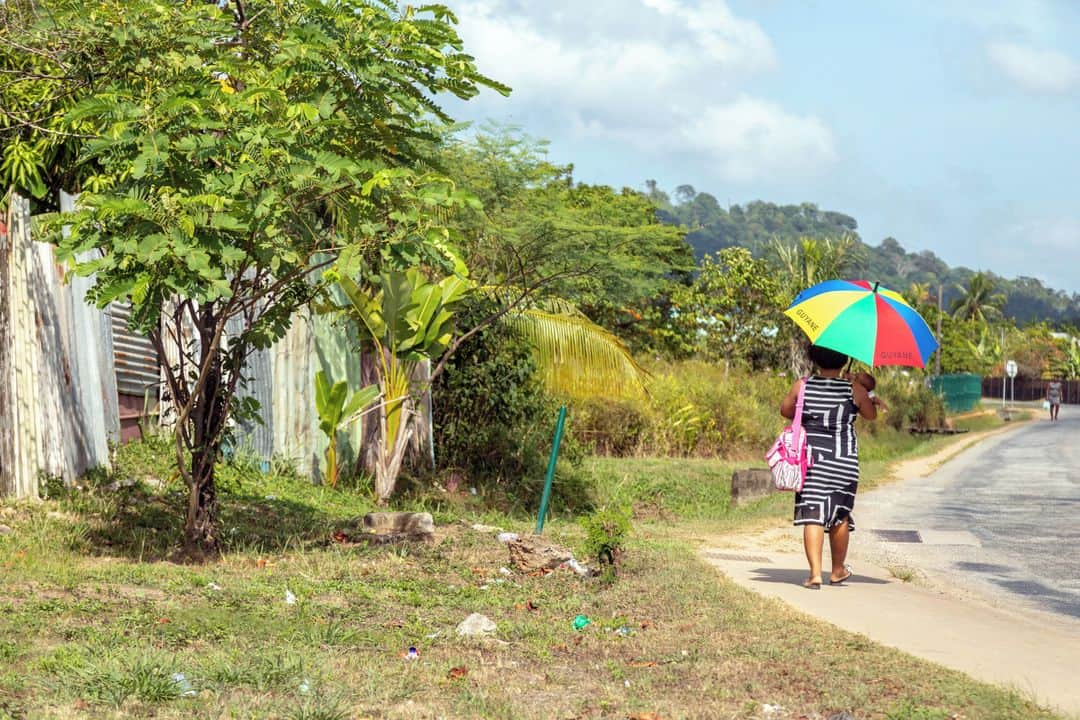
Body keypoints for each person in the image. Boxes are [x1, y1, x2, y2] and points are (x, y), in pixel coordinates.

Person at [779, 345, 880, 589]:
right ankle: (837, 570)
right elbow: (871, 416)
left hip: (812, 460)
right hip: (844, 461)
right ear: (844, 360)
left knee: (812, 514)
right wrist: (863, 392)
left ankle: (814, 574)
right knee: (840, 516)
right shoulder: (853, 389)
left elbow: (785, 411)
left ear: (815, 359)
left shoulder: (802, 385)